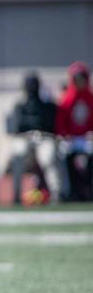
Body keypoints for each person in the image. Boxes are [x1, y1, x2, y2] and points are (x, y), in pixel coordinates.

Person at [6, 72, 58, 204]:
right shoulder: (20, 106)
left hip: (44, 137)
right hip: (24, 138)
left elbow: (52, 126)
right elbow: (15, 128)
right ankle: (16, 195)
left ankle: (57, 194)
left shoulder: (47, 105)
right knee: (19, 154)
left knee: (48, 157)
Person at [55, 61, 93, 201]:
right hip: (70, 138)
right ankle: (70, 191)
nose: (79, 82)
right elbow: (60, 122)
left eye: (82, 79)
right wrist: (64, 135)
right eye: (76, 79)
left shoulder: (90, 98)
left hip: (86, 138)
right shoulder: (67, 98)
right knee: (64, 154)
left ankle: (89, 189)